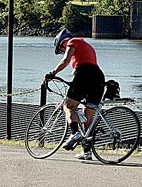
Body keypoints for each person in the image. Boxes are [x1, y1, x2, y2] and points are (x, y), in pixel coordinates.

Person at [44, 28, 105, 161]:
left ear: (62, 42)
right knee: (87, 117)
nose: (63, 50)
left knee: (69, 105)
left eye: (61, 48)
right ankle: (87, 153)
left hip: (85, 74)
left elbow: (65, 61)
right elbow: (84, 63)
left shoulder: (73, 41)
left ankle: (74, 133)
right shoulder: (85, 45)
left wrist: (52, 73)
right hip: (98, 77)